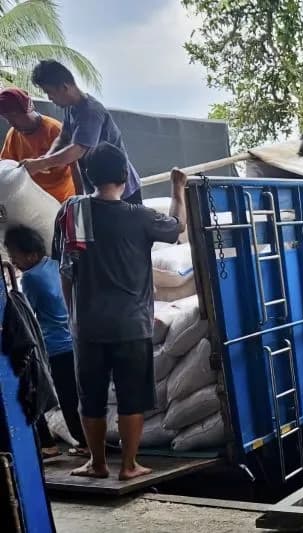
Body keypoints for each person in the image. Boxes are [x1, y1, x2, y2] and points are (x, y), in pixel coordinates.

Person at [56, 142, 186, 481]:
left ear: (87, 174)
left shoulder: (73, 212)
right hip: (131, 325)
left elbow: (66, 270)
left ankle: (97, 463)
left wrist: (74, 315)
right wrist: (177, 188)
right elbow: (177, 226)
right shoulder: (141, 217)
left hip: (87, 325)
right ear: (126, 176)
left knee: (91, 397)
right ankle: (129, 465)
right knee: (131, 397)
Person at [4, 225, 87, 458]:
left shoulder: (30, 278)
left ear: (30, 255)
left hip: (53, 346)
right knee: (78, 394)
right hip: (73, 340)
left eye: (14, 257)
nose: (14, 262)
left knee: (64, 397)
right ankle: (85, 440)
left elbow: (27, 315)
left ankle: (78, 443)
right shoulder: (54, 266)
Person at [24, 60, 142, 203]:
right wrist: (46, 158)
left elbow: (78, 150)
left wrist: (41, 164)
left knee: (128, 224)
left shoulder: (90, 112)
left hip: (120, 188)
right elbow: (64, 137)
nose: (49, 98)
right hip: (98, 187)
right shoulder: (70, 107)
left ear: (64, 87)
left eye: (50, 92)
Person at [0, 87, 76, 203]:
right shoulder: (13, 134)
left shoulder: (55, 130)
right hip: (29, 199)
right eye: (6, 118)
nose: (10, 122)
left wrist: (79, 202)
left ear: (26, 110)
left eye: (13, 116)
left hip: (59, 199)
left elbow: (76, 168)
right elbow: (5, 166)